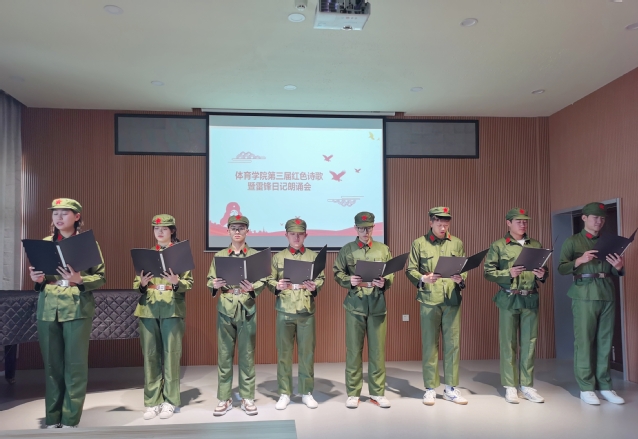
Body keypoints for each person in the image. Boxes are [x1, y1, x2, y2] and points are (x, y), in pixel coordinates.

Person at [28, 198, 105, 428]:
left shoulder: (88, 244)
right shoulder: (44, 243)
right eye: (55, 213)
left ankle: (70, 419)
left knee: (75, 365)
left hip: (76, 307)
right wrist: (37, 280)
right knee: (52, 366)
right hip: (48, 307)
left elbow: (100, 277)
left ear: (77, 217)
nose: (58, 217)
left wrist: (80, 279)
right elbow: (41, 278)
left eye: (64, 213)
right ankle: (52, 418)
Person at [558, 202, 625, 405]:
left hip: (606, 292)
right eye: (595, 217)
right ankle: (586, 387)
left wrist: (619, 267)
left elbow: (614, 270)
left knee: (605, 340)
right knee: (585, 341)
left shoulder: (608, 241)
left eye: (602, 218)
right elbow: (562, 268)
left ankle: (605, 385)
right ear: (584, 218)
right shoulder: (572, 241)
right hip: (584, 293)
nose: (599, 221)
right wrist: (580, 261)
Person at [483, 208, 547, 404]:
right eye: (518, 221)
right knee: (508, 342)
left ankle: (527, 385)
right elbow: (488, 272)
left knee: (529, 343)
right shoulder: (498, 245)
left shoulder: (535, 244)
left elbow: (544, 270)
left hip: (530, 298)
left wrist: (542, 274)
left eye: (525, 221)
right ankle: (510, 386)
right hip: (509, 298)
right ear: (508, 223)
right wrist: (508, 274)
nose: (523, 224)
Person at [405, 206, 468, 405]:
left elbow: (464, 268)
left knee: (453, 345)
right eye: (439, 224)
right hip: (429, 300)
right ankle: (430, 389)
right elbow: (410, 270)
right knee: (430, 345)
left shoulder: (457, 243)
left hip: (451, 299)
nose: (443, 228)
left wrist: (461, 278)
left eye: (446, 224)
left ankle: (451, 388)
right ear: (431, 222)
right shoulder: (419, 243)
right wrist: (423, 278)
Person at [133, 215, 193, 420]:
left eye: (164, 229)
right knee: (150, 356)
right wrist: (141, 283)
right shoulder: (147, 255)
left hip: (172, 308)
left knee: (171, 355)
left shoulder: (180, 254)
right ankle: (153, 402)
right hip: (148, 308)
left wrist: (176, 282)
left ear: (172, 231)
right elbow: (136, 284)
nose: (159, 232)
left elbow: (189, 283)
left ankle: (171, 401)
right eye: (156, 228)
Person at [333, 212, 394, 409]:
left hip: (377, 304)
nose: (365, 232)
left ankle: (377, 393)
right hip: (355, 306)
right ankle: (353, 393)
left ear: (373, 227)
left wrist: (385, 282)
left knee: (377, 351)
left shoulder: (383, 249)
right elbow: (337, 272)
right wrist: (348, 280)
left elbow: (390, 274)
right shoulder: (347, 249)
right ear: (355, 228)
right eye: (361, 228)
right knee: (354, 351)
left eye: (368, 228)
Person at [207, 215, 266, 416]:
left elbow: (263, 280)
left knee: (247, 354)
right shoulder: (220, 255)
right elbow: (210, 279)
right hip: (226, 306)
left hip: (247, 306)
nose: (237, 231)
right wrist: (214, 284)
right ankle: (224, 398)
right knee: (224, 355)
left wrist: (253, 288)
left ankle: (247, 396)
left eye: (241, 228)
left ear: (247, 231)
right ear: (228, 231)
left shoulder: (255, 256)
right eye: (234, 228)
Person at [267, 218, 325, 410]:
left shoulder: (313, 257)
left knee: (307, 353)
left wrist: (315, 286)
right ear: (286, 235)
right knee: (284, 353)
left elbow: (321, 278)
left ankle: (306, 392)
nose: (296, 237)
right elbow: (269, 280)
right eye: (293, 234)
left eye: (300, 234)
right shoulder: (278, 257)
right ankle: (284, 392)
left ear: (306, 235)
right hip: (285, 309)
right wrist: (277, 285)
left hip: (306, 309)